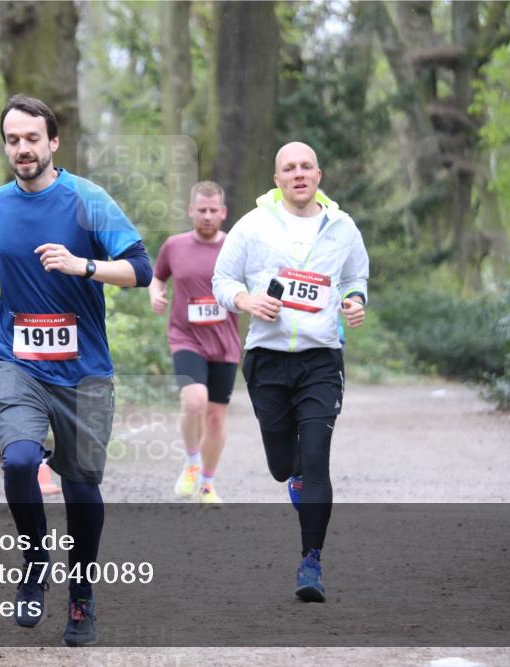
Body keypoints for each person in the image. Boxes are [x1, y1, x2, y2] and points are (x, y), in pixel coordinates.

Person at [0, 95, 152, 645]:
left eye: (31, 139)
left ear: (52, 143)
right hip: (17, 359)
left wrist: (85, 266)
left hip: (85, 370)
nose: (21, 149)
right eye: (12, 140)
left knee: (80, 487)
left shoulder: (87, 200)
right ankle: (33, 562)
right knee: (20, 458)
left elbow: (140, 269)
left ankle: (81, 597)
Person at [212, 141, 368, 603]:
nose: (298, 174)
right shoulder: (252, 226)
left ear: (318, 175)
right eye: (288, 168)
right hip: (268, 358)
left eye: (306, 166)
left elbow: (357, 278)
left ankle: (311, 563)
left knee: (316, 458)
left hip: (321, 358)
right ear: (277, 179)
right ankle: (295, 476)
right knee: (284, 466)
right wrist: (246, 301)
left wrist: (356, 301)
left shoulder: (342, 228)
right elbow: (223, 280)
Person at [149, 181, 241, 504]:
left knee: (216, 415)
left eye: (213, 210)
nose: (206, 216)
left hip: (225, 341)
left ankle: (207, 483)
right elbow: (158, 276)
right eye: (201, 210)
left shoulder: (236, 246)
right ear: (191, 211)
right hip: (185, 336)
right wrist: (156, 294)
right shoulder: (174, 246)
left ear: (223, 212)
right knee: (194, 401)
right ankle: (191, 461)